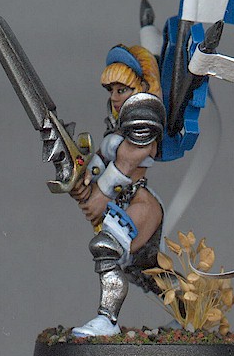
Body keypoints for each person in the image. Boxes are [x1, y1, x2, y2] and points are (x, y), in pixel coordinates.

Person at [69, 44, 166, 337]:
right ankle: (195, 313)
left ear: (141, 89)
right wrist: (82, 181)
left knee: (106, 248)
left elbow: (129, 158)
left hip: (140, 204)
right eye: (111, 90)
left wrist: (101, 193)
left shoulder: (143, 120)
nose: (114, 96)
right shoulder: (118, 124)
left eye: (122, 89)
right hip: (124, 201)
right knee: (148, 271)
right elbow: (101, 161)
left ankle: (107, 320)